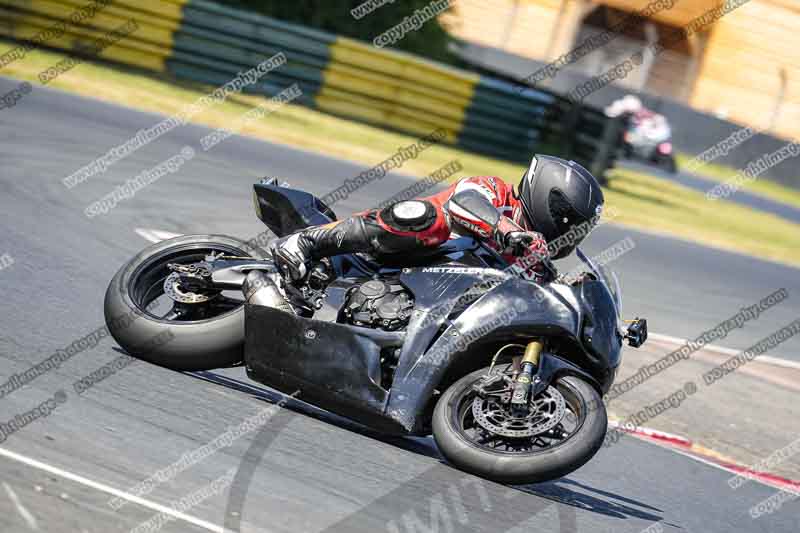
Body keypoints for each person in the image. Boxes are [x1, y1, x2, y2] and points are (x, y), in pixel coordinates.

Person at [270, 155, 604, 283]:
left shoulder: (537, 258)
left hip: (424, 298)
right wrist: (504, 229)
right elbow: (463, 202)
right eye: (571, 221)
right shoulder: (495, 192)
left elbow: (549, 292)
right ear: (550, 199)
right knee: (424, 219)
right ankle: (306, 241)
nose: (573, 233)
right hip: (385, 257)